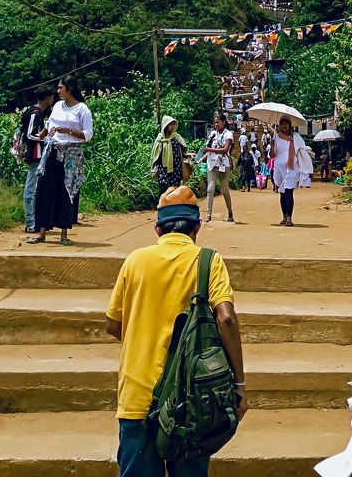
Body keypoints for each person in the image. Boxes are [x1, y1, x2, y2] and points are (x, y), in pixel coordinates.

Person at [106, 186, 248, 476]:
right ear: (197, 227)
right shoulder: (209, 262)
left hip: (138, 399)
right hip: (192, 401)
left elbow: (113, 325)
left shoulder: (134, 261)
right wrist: (239, 385)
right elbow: (227, 318)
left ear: (157, 229)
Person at [28, 75, 93, 246]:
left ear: (69, 89)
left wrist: (69, 131)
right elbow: (50, 123)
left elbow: (88, 135)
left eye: (60, 88)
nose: (57, 91)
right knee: (45, 189)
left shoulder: (82, 109)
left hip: (71, 154)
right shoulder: (57, 106)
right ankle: (41, 232)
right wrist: (43, 134)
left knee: (66, 191)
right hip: (52, 150)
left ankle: (64, 233)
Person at [20, 88, 55, 233]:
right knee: (31, 190)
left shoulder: (34, 112)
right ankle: (31, 223)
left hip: (36, 154)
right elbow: (30, 135)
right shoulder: (36, 113)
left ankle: (34, 222)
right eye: (52, 97)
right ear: (47, 98)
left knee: (35, 189)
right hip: (35, 155)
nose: (53, 100)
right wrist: (45, 137)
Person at [269, 116, 305, 226]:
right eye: (282, 124)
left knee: (289, 192)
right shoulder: (276, 138)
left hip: (292, 168)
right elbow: (272, 155)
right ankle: (284, 216)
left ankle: (289, 218)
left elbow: (302, 150)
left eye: (286, 124)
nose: (284, 126)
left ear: (290, 126)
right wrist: (271, 146)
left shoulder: (296, 137)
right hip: (279, 168)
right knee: (282, 193)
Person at [204, 113, 235, 223]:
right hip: (212, 164)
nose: (216, 124)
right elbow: (207, 150)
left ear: (224, 122)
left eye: (218, 122)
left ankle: (230, 212)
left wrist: (209, 150)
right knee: (210, 188)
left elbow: (225, 150)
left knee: (224, 190)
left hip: (223, 164)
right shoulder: (212, 134)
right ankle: (208, 214)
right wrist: (199, 158)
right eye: (215, 122)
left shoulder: (228, 134)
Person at [151, 115, 190, 198]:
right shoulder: (159, 139)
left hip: (176, 168)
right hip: (162, 167)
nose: (172, 126)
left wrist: (189, 155)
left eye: (173, 124)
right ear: (165, 125)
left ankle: (173, 208)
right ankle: (161, 206)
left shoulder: (177, 138)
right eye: (170, 124)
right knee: (163, 185)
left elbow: (183, 152)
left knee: (174, 190)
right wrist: (154, 167)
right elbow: (155, 154)